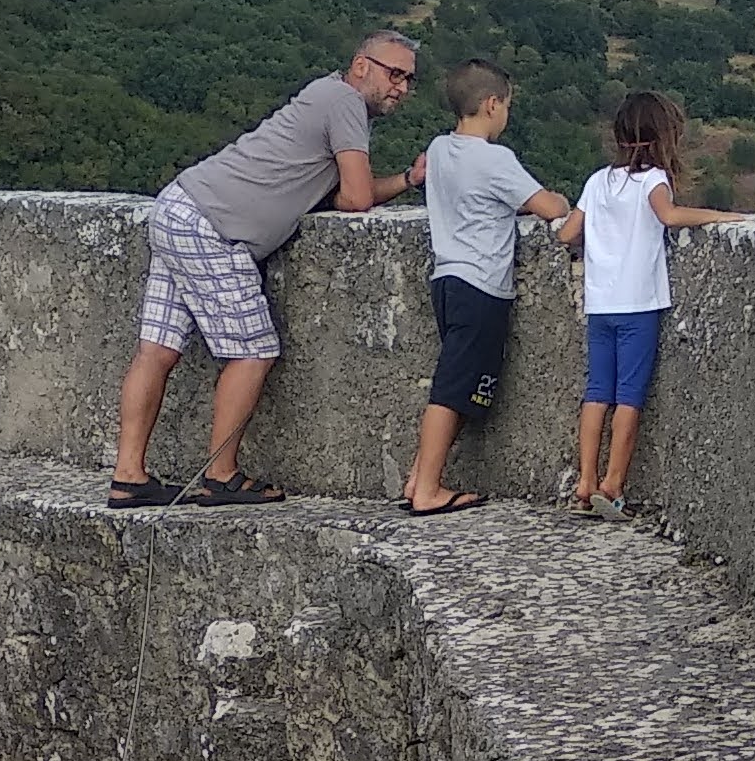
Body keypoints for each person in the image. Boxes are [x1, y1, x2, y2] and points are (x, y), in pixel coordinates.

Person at [110, 32, 423, 507]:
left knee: (157, 348)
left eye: (408, 79)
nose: (400, 87)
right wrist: (353, 192)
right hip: (214, 228)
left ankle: (128, 476)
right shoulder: (345, 102)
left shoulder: (325, 95)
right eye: (393, 73)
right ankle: (221, 474)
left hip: (180, 206)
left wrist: (408, 179)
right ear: (361, 65)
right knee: (254, 349)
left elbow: (342, 193)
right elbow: (356, 199)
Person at [399, 57, 569, 516]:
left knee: (459, 383)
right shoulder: (495, 159)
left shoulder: (438, 149)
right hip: (481, 286)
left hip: (447, 280)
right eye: (507, 105)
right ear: (492, 104)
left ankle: (418, 477)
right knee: (451, 386)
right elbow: (549, 207)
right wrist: (560, 200)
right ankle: (427, 489)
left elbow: (480, 198)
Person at [569, 87, 747, 520]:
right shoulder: (653, 180)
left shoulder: (597, 181)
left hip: (600, 303)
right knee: (629, 395)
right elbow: (668, 215)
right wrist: (722, 216)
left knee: (597, 392)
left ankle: (584, 480)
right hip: (638, 305)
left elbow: (566, 232)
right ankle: (613, 485)